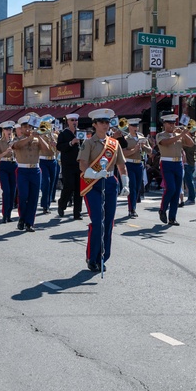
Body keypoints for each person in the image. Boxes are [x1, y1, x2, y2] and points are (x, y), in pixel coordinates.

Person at [79, 109, 128, 272]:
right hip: (92, 184)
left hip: (109, 183)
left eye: (107, 122)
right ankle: (92, 258)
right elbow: (83, 164)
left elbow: (121, 165)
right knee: (98, 222)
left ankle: (102, 257)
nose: (106, 125)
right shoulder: (88, 143)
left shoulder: (114, 144)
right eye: (102, 122)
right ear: (94, 125)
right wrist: (93, 173)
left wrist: (125, 183)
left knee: (108, 223)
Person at [156, 115, 194, 226]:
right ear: (164, 124)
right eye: (169, 123)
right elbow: (166, 143)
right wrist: (180, 135)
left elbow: (191, 144)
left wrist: (184, 133)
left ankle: (172, 218)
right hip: (167, 163)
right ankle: (162, 209)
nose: (172, 125)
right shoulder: (160, 135)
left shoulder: (178, 134)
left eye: (173, 123)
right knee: (170, 188)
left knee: (177, 191)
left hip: (178, 163)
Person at [56, 113, 84, 220]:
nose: (74, 122)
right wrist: (71, 143)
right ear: (68, 121)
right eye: (72, 120)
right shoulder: (63, 134)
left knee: (79, 189)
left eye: (76, 120)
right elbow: (59, 147)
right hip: (68, 164)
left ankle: (77, 212)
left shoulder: (81, 133)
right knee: (69, 186)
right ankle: (62, 204)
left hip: (80, 164)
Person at [121, 118, 151, 218]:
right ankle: (132, 209)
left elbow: (150, 151)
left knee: (138, 187)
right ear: (129, 127)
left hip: (139, 164)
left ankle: (133, 207)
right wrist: (135, 149)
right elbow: (124, 153)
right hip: (129, 164)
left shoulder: (141, 137)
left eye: (136, 126)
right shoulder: (125, 138)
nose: (135, 128)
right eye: (133, 126)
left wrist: (144, 146)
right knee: (132, 187)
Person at [0, 122, 19, 224]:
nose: (9, 131)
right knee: (7, 191)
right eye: (7, 129)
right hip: (3, 165)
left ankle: (9, 214)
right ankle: (5, 214)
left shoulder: (15, 141)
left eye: (10, 130)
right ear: (3, 131)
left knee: (13, 192)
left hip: (14, 165)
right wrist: (6, 152)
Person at [38, 121, 59, 215]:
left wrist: (55, 144)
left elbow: (58, 150)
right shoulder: (39, 137)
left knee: (52, 183)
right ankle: (44, 205)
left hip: (53, 161)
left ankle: (48, 204)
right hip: (42, 161)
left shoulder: (55, 136)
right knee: (46, 182)